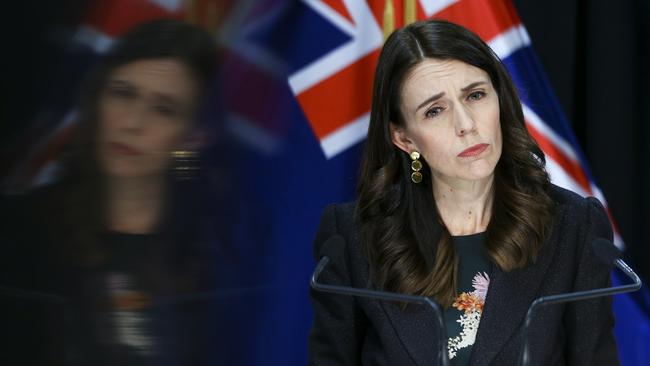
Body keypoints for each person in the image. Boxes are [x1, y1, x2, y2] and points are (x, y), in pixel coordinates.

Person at [308, 19, 618, 365]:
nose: (466, 124)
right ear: (404, 138)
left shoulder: (573, 226)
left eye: (475, 95)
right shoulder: (352, 238)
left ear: (500, 98)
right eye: (435, 111)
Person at [0, 19, 240, 365]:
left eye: (163, 109)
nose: (132, 122)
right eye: (123, 93)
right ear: (97, 101)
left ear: (196, 135)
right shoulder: (17, 231)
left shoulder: (223, 254)